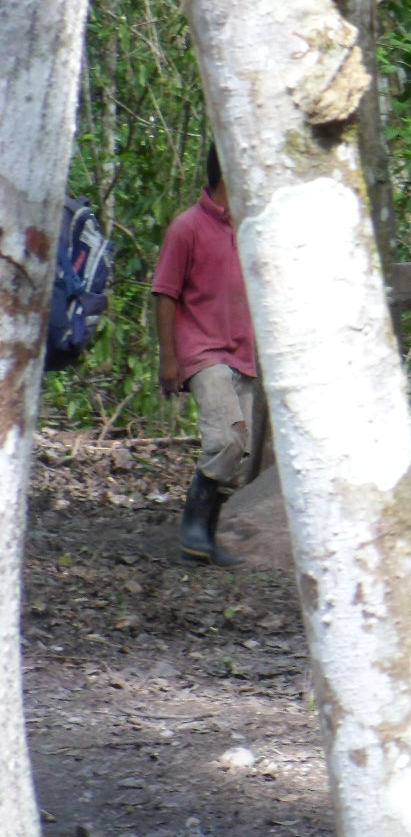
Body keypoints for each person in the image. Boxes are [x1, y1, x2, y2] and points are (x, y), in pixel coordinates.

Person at [153, 144, 265, 567]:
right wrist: (170, 359)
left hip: (243, 354)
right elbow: (165, 295)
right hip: (204, 353)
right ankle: (192, 527)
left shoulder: (251, 229)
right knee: (226, 438)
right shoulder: (187, 228)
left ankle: (205, 539)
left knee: (240, 453)